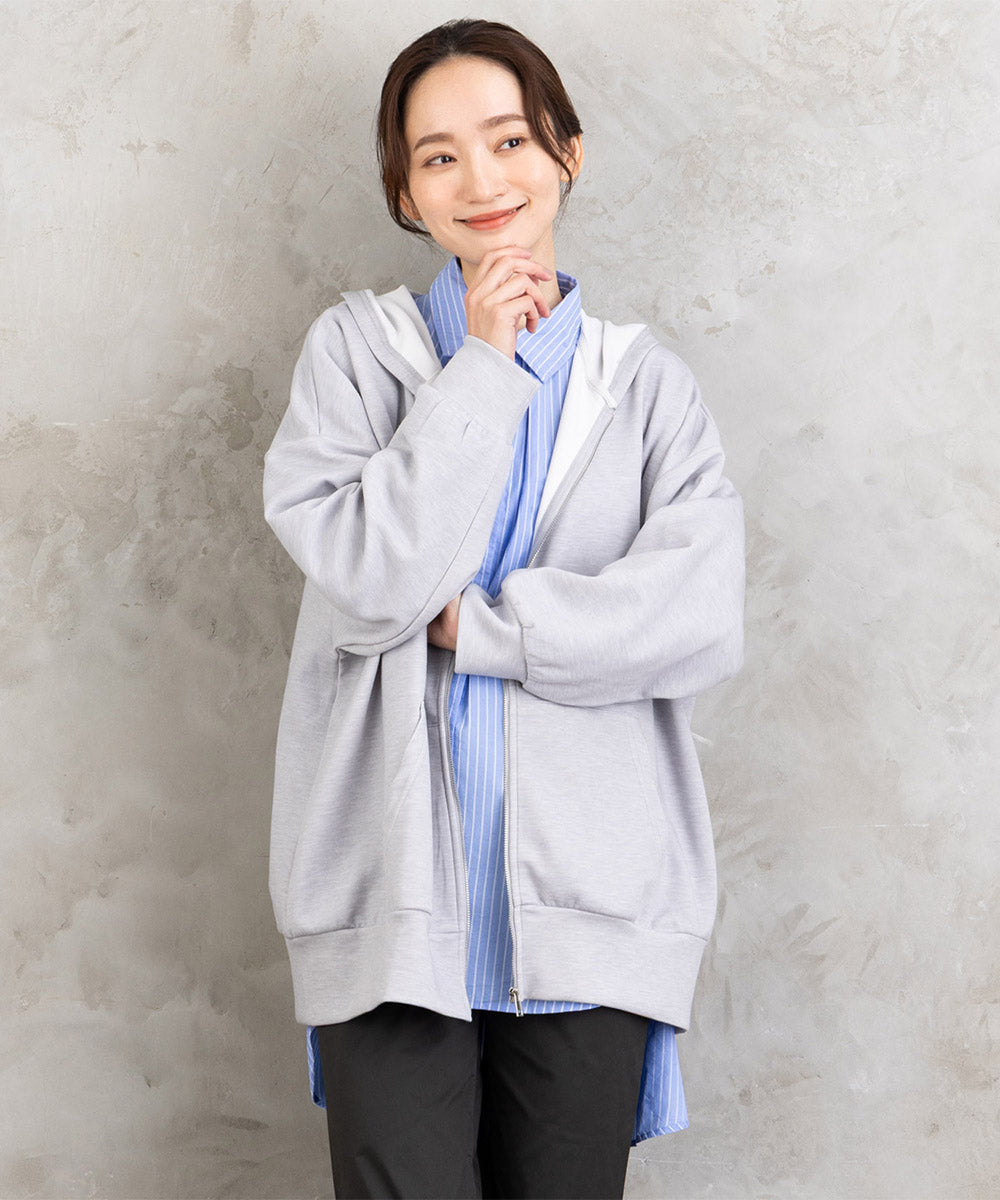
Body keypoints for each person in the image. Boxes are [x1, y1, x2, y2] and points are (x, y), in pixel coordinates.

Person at [262, 17, 744, 1199]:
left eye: (510, 140)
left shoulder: (647, 389)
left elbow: (691, 617)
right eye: (437, 156)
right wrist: (482, 365)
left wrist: (478, 628)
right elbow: (371, 574)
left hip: (594, 911)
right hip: (386, 911)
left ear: (567, 152)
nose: (479, 180)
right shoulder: (353, 358)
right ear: (405, 191)